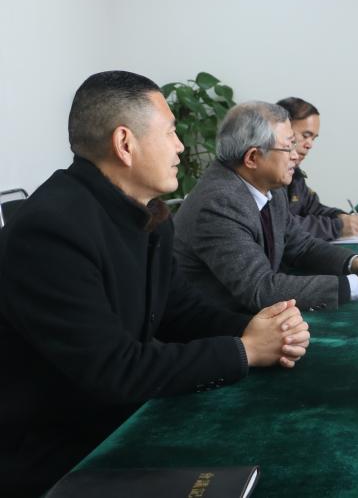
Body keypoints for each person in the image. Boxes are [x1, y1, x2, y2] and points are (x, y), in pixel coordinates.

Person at [0, 72, 311, 497]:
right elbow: (113, 368)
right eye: (170, 132)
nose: (181, 146)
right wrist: (245, 350)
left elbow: (178, 310)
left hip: (117, 422)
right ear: (125, 143)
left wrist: (259, 327)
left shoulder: (146, 215)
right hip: (58, 458)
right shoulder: (50, 230)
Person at [174, 101, 358, 313]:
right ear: (253, 158)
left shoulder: (270, 187)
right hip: (213, 329)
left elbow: (301, 246)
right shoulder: (219, 204)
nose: (295, 155)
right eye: (288, 146)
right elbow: (260, 289)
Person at [276, 96, 358, 241]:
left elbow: (313, 208)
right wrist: (337, 227)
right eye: (305, 136)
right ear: (283, 129)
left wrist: (340, 216)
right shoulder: (268, 175)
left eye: (313, 138)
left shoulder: (295, 175)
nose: (310, 145)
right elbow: (280, 225)